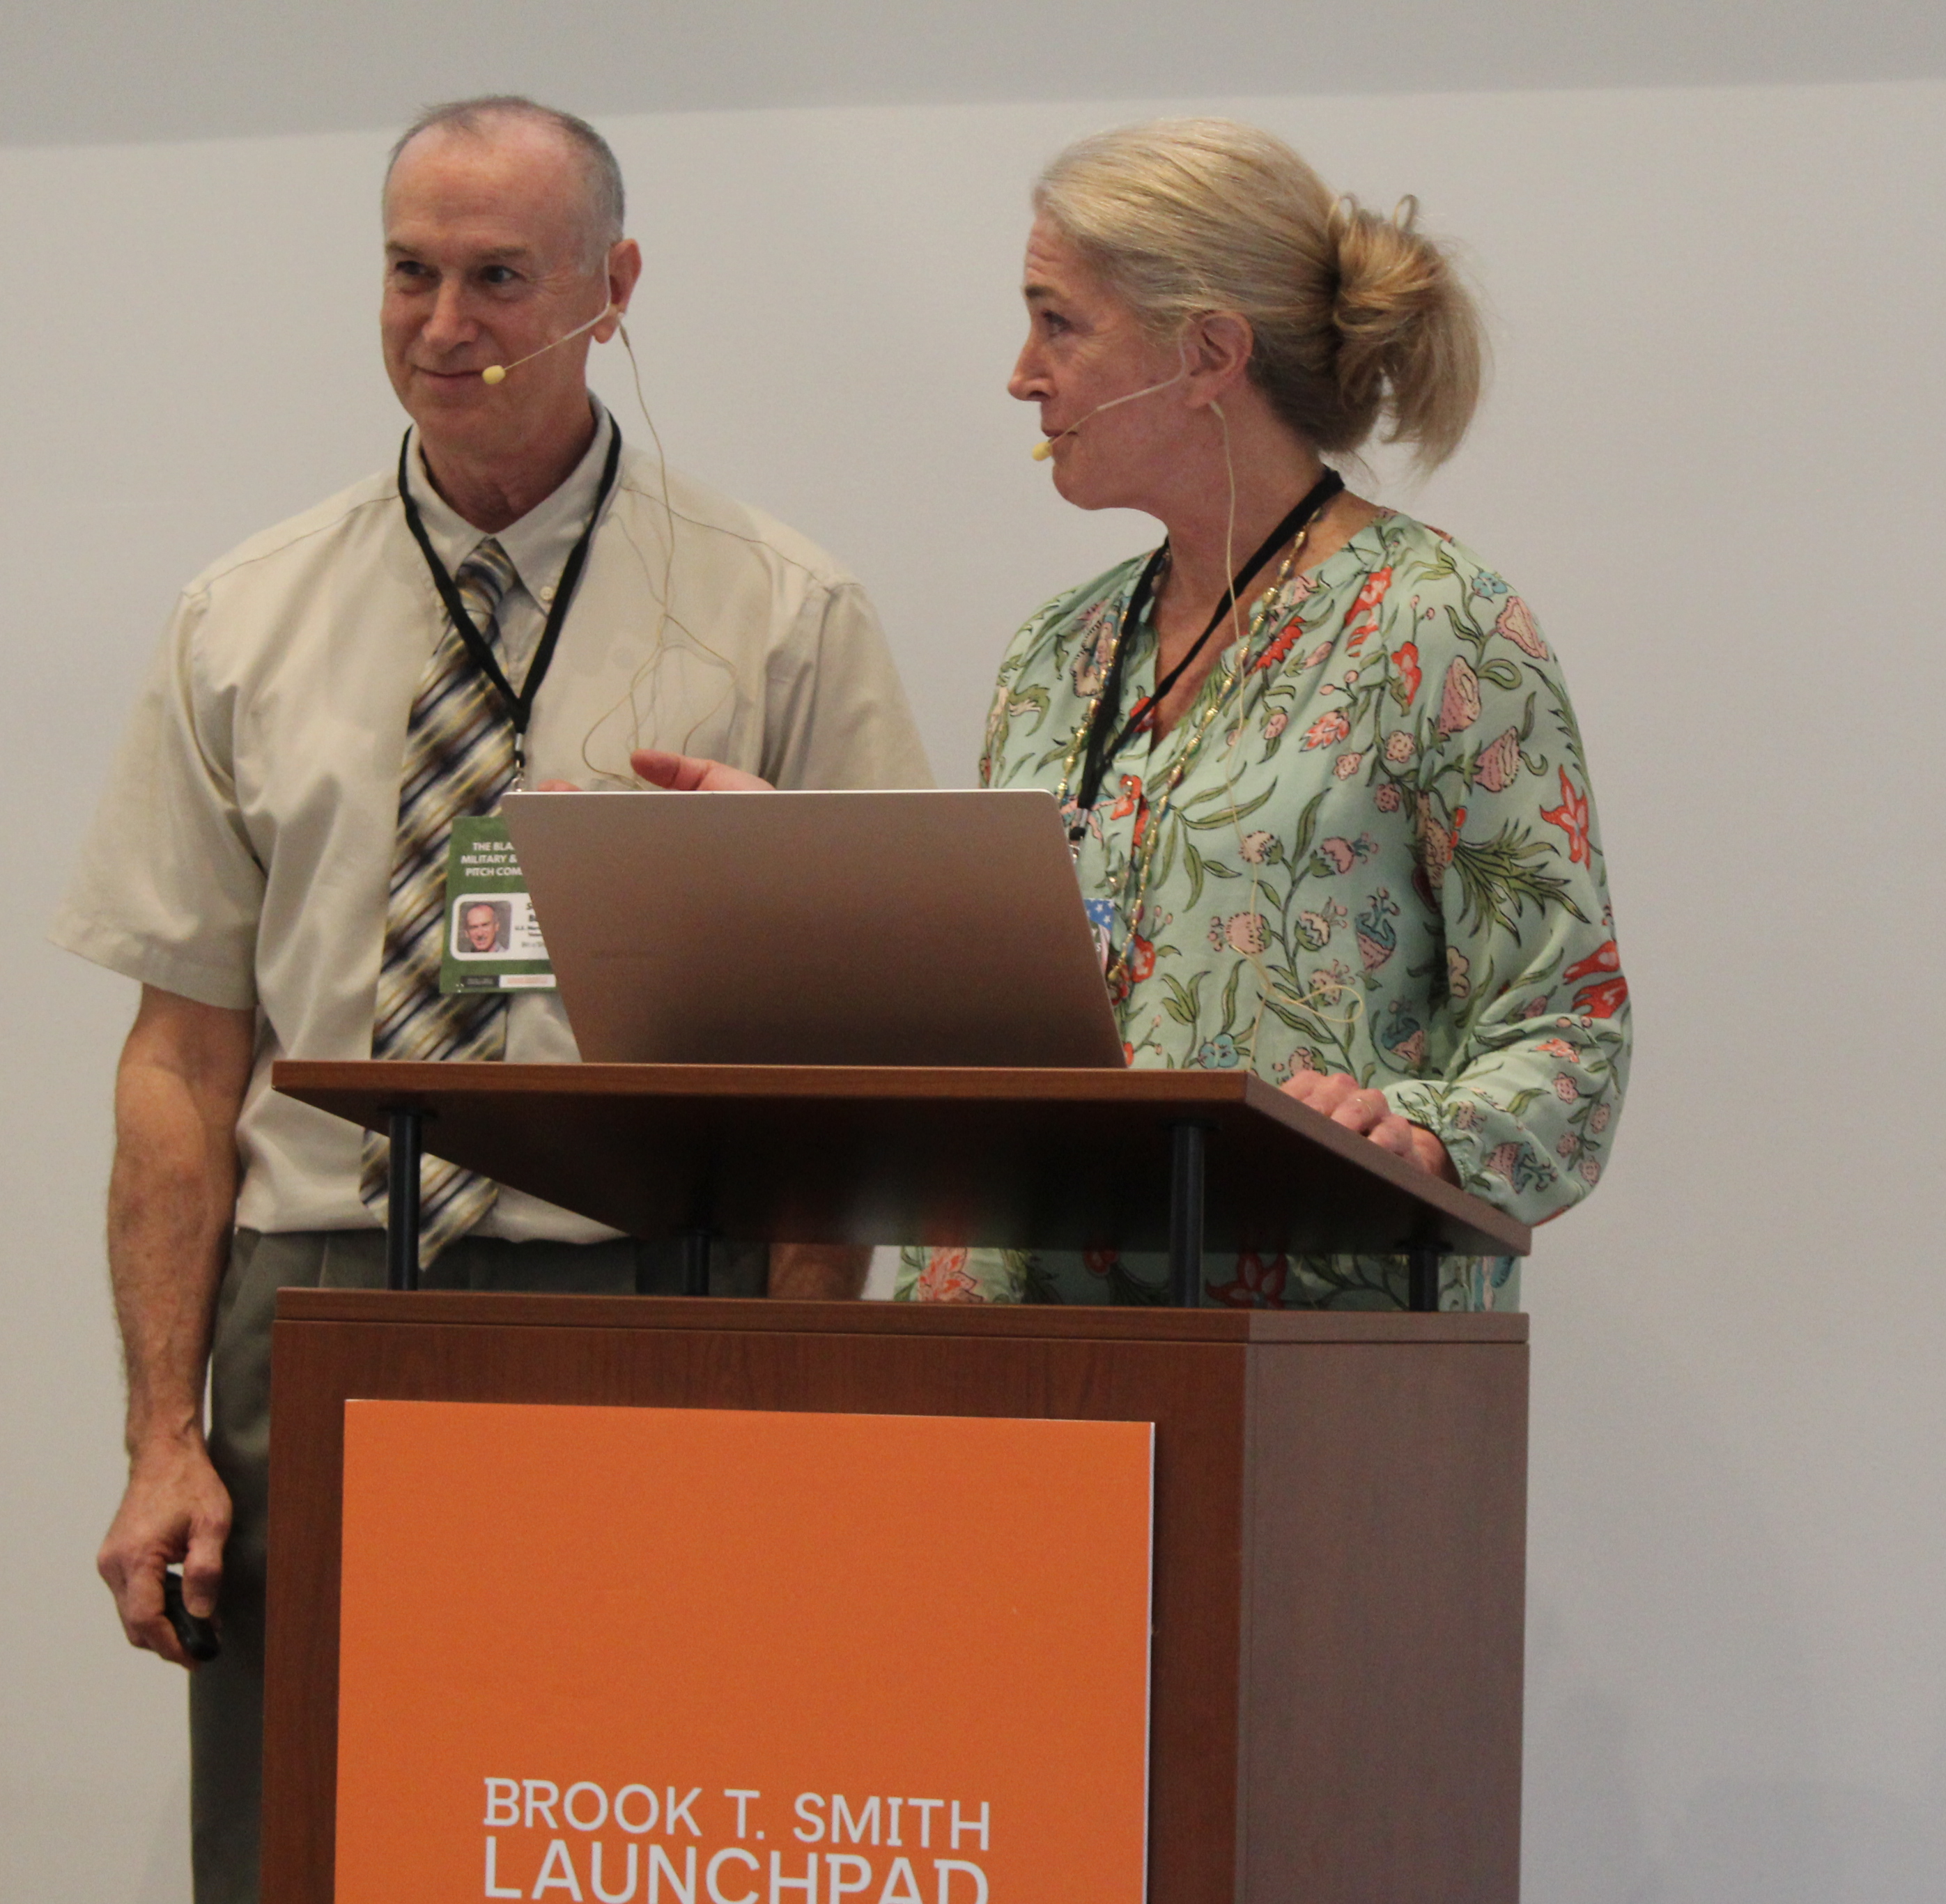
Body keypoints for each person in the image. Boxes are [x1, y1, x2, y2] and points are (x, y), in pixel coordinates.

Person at [48, 94, 929, 1904]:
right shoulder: (247, 617)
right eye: (408, 270)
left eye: (501, 278)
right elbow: (178, 1058)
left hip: (639, 1312)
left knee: (648, 1897)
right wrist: (164, 1429)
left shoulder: (776, 614)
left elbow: (864, 1065)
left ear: (614, 297)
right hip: (319, 1319)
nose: (444, 326)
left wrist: (809, 1414)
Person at [640, 118, 1626, 1308]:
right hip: (1008, 1362)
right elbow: (1008, 1013)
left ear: (1207, 352)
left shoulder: (1442, 630)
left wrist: (1413, 1134)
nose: (1021, 372)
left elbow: (1567, 1037)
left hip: (1298, 1377)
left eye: (1058, 321)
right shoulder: (1060, 652)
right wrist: (806, 871)